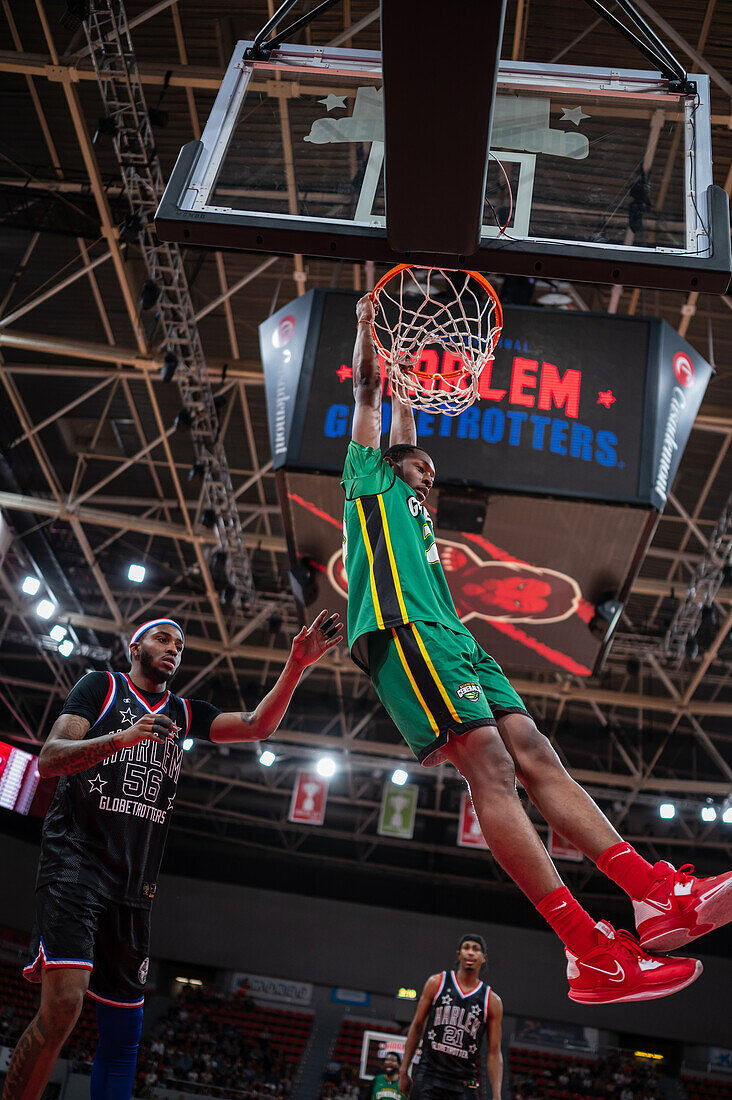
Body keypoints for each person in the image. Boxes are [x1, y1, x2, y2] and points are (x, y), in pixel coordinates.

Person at [342, 293, 732, 1004]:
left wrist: (407, 397)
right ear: (388, 465)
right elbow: (375, 395)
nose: (429, 475)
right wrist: (374, 329)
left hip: (456, 640)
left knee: (536, 755)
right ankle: (588, 950)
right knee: (490, 768)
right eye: (418, 466)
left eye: (432, 470)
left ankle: (653, 894)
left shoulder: (417, 514)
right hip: (405, 635)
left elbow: (406, 418)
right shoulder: (367, 482)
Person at [3, 611, 342, 1100]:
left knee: (124, 1033)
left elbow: (255, 726)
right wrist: (123, 737)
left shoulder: (185, 712)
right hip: (76, 864)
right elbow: (51, 758)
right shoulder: (100, 686)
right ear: (134, 647)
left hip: (134, 883)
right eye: (163, 639)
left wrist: (296, 664)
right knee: (63, 1011)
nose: (173, 649)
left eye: (179, 646)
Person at [399, 935, 502, 1100]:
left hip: (464, 1083)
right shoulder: (437, 982)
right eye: (466, 948)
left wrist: (497, 1095)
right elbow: (417, 1026)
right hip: (428, 1076)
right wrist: (404, 1070)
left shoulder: (492, 1000)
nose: (470, 953)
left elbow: (494, 1052)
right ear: (459, 954)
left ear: (483, 958)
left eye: (476, 949)